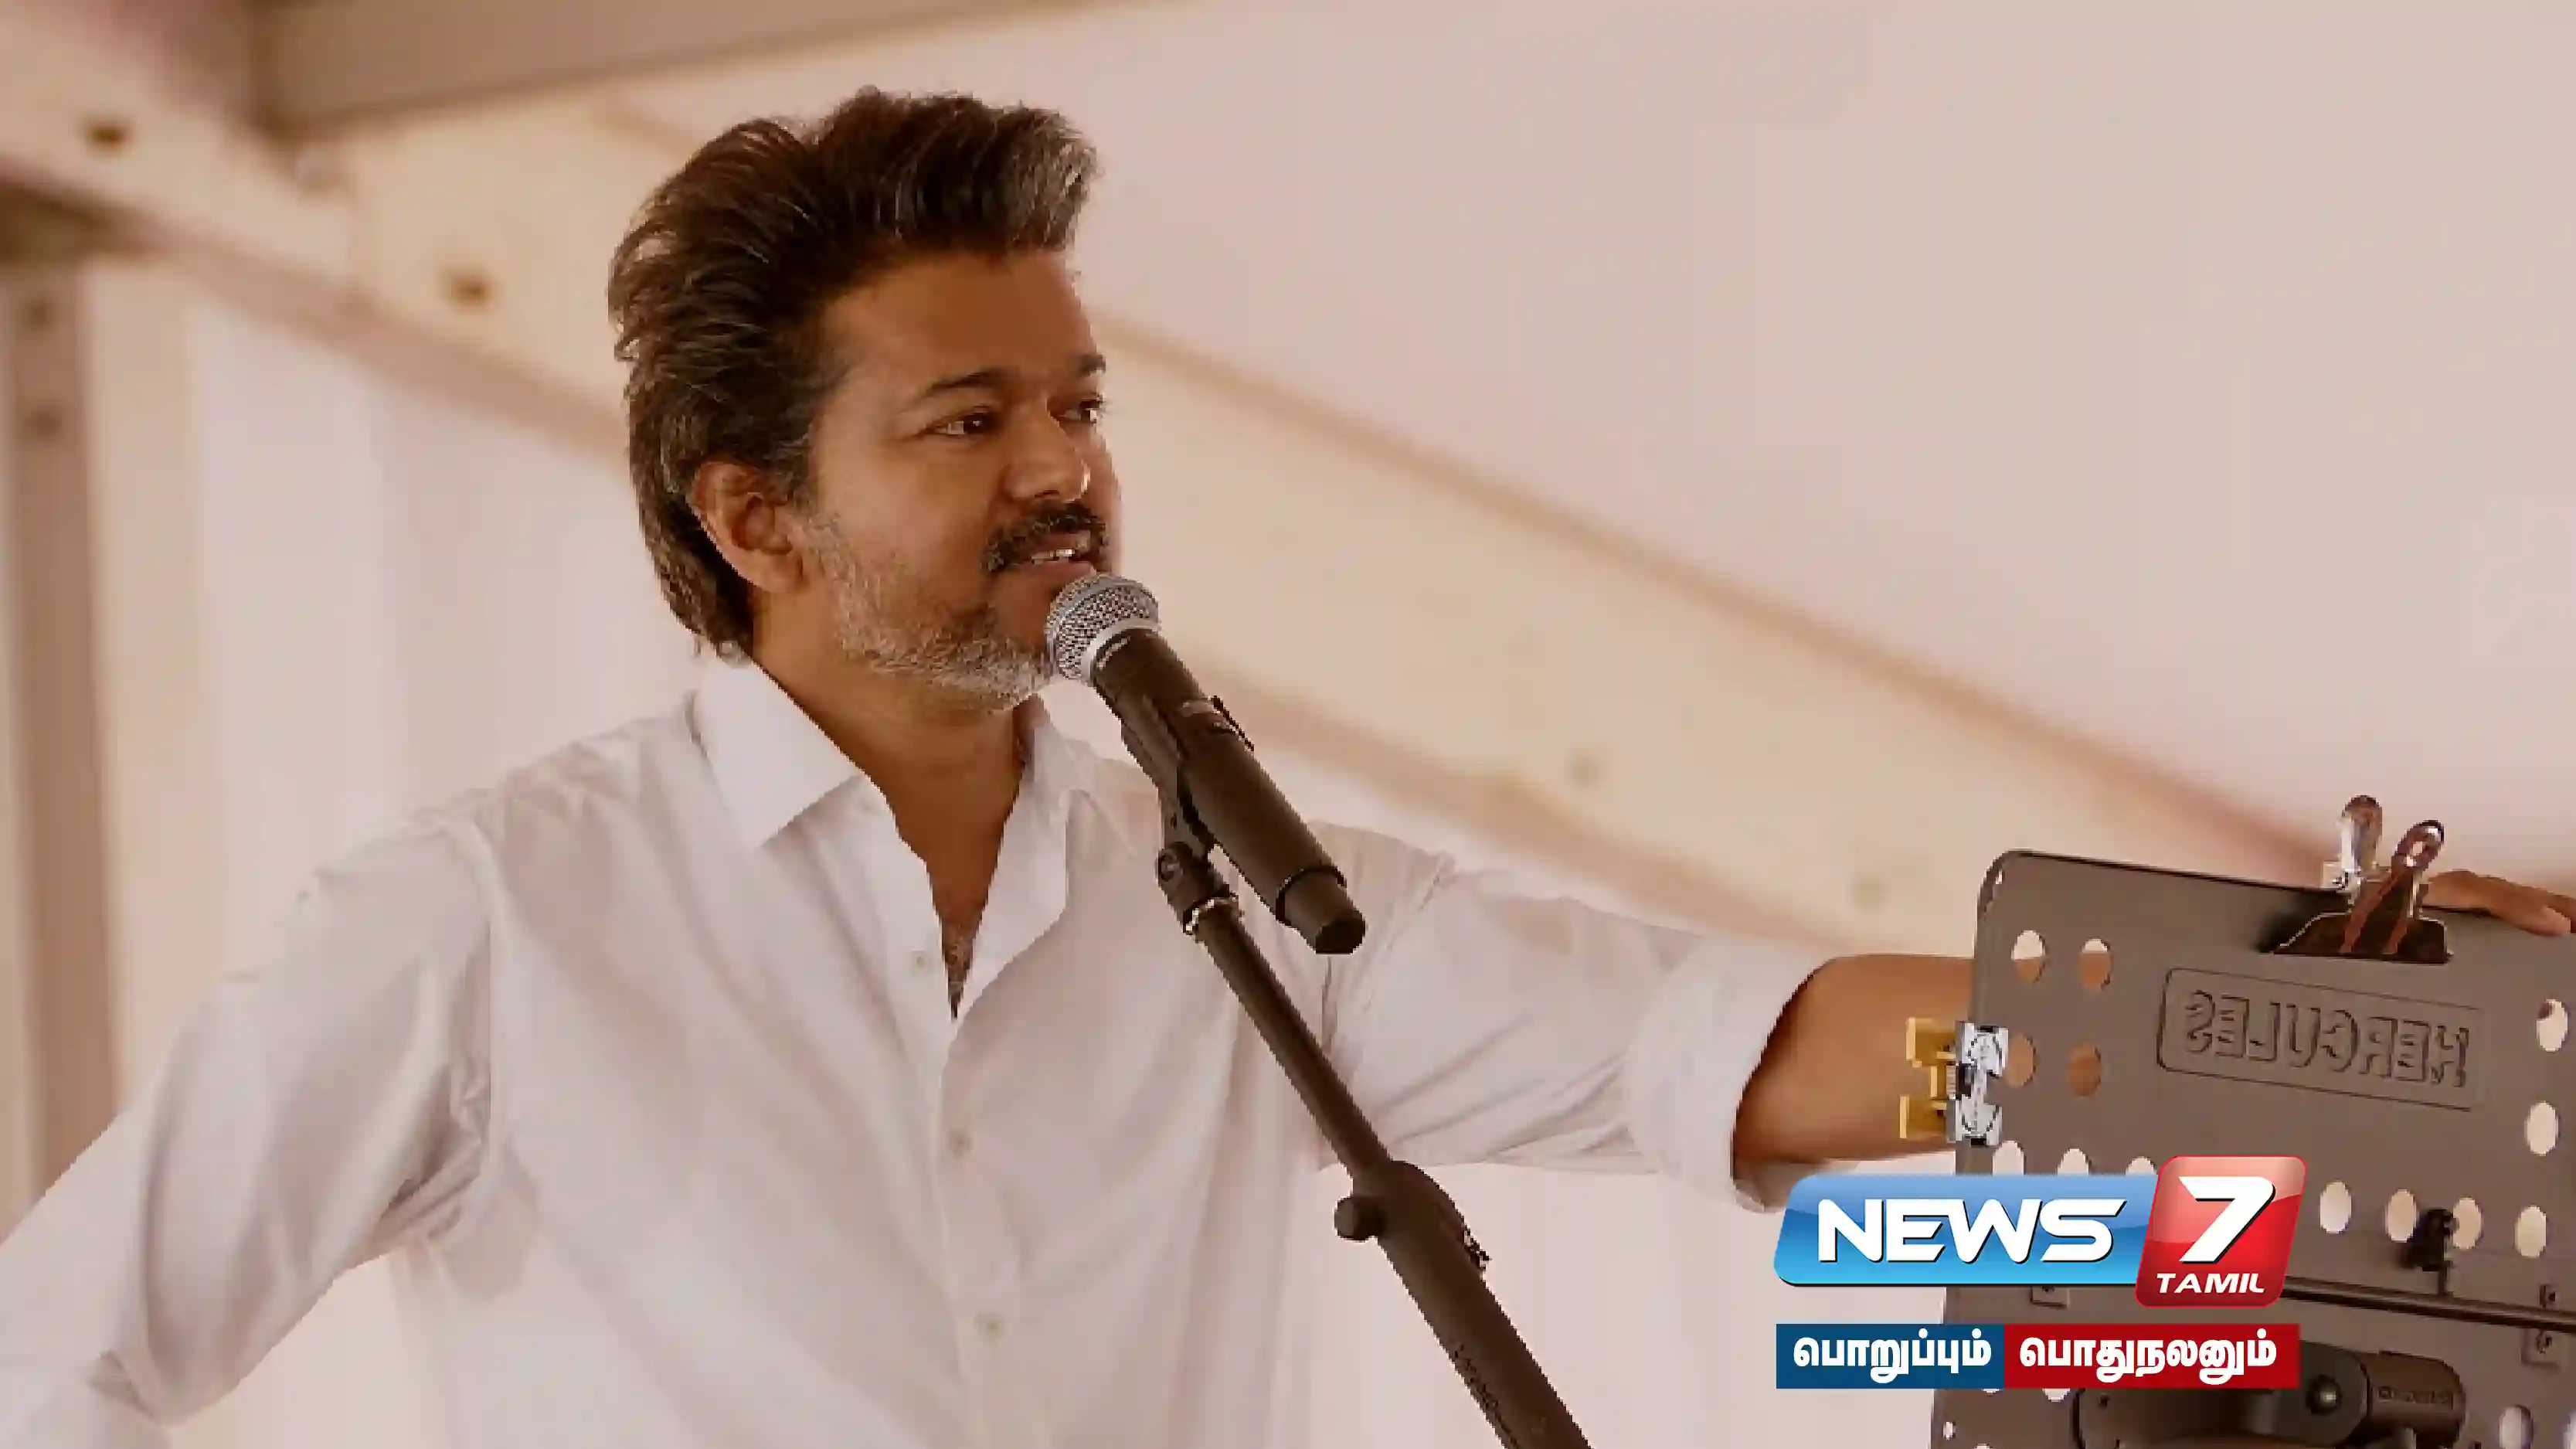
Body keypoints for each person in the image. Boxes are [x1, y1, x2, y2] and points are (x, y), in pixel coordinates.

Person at [0, 90, 2568, 1449]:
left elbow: (1739, 1048)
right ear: (751, 512)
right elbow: (61, 1354)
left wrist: (2278, 1016)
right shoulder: (493, 917)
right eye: (970, 419)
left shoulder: (1250, 901)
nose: (1064, 472)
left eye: (1081, 404)